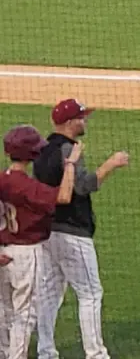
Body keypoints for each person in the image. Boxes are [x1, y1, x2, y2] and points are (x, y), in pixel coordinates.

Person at [33, 100, 129, 359]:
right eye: (81, 117)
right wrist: (112, 164)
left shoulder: (41, 149)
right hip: (72, 232)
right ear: (68, 123)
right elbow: (82, 186)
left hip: (47, 232)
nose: (84, 121)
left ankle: (45, 350)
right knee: (90, 293)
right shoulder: (69, 149)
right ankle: (96, 354)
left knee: (50, 293)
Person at [0, 126, 82, 359]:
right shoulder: (26, 186)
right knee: (24, 314)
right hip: (26, 253)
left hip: (3, 251)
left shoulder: (1, 180)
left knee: (5, 311)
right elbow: (63, 196)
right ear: (31, 154)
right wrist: (70, 165)